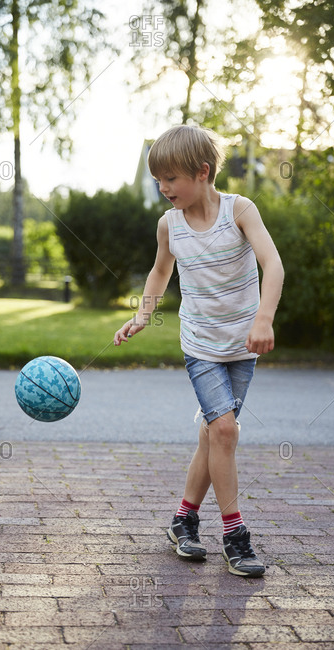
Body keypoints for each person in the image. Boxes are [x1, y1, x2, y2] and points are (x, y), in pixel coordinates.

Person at [114, 125, 284, 577]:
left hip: (242, 345)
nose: (163, 188)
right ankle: (235, 536)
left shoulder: (240, 211)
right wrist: (143, 315)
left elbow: (273, 263)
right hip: (201, 347)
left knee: (214, 436)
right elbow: (159, 272)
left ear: (202, 172)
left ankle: (183, 520)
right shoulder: (169, 225)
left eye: (170, 179)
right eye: (158, 180)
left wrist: (263, 318)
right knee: (225, 432)